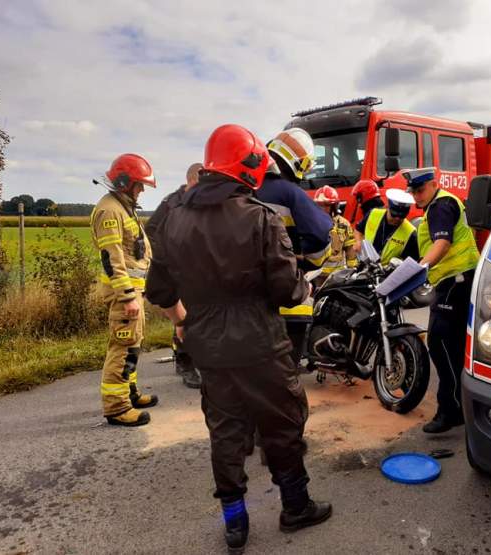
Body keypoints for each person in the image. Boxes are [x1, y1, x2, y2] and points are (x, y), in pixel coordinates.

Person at [145, 124, 332, 553]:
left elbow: (159, 290)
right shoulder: (259, 218)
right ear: (247, 168)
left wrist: (182, 321)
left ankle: (235, 523)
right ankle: (295, 507)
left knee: (226, 431)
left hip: (207, 346)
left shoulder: (173, 219)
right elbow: (287, 290)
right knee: (282, 424)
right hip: (261, 344)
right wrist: (306, 286)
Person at [405, 168, 480, 434]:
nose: (416, 196)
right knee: (455, 347)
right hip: (457, 282)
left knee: (439, 343)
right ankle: (461, 407)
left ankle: (450, 411)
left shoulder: (441, 205)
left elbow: (442, 244)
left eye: (420, 190)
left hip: (454, 282)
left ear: (434, 184)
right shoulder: (436, 207)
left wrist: (419, 269)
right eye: (413, 191)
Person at [90, 153, 159, 427]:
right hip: (125, 294)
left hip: (133, 292)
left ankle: (128, 394)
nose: (141, 190)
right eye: (139, 185)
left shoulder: (122, 206)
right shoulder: (110, 210)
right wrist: (127, 296)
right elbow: (112, 258)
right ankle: (117, 408)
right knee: (122, 347)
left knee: (132, 345)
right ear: (124, 182)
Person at [256, 127, 333, 365]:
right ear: (298, 163)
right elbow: (321, 234)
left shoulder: (243, 189)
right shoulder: (289, 193)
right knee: (285, 376)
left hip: (246, 306)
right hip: (288, 302)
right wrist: (305, 261)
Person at [146, 162, 203, 389]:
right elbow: (151, 231)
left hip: (197, 268)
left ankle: (201, 359)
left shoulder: (199, 200)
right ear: (190, 181)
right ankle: (185, 363)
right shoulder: (172, 202)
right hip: (176, 269)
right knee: (183, 317)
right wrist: (168, 258)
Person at [354, 188, 418, 265]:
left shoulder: (411, 233)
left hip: (387, 274)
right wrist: (358, 241)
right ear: (387, 207)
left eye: (401, 216)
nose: (397, 219)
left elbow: (412, 262)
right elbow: (358, 229)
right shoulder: (373, 214)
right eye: (394, 214)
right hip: (364, 265)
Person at [313, 185, 356, 280]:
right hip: (315, 276)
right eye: (319, 205)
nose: (322, 209)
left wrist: (352, 270)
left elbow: (349, 249)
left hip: (336, 277)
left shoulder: (343, 224)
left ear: (334, 206)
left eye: (326, 205)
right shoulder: (310, 222)